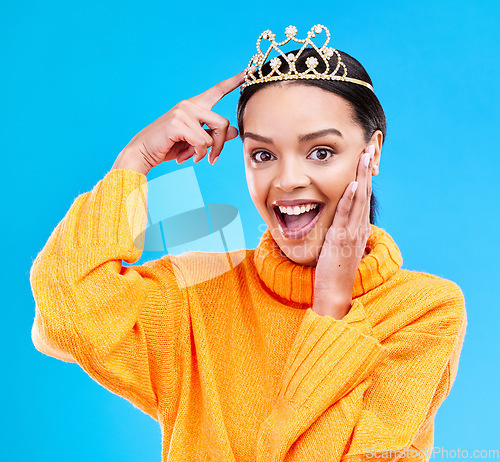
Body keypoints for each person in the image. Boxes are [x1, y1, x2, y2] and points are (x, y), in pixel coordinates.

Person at [30, 24, 467, 461]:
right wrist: (135, 161)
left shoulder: (425, 311)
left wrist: (331, 305)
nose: (288, 180)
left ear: (372, 152)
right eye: (263, 155)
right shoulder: (198, 292)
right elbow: (68, 317)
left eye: (321, 152)